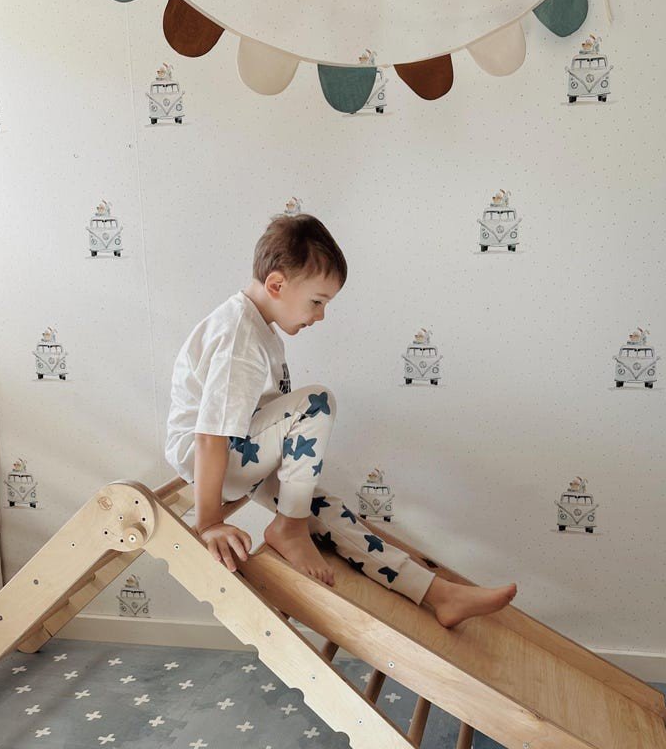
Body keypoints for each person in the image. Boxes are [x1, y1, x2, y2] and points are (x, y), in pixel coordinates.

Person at [165, 213, 517, 628]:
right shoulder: (239, 336)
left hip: (241, 452)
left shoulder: (260, 330)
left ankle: (438, 593)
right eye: (317, 301)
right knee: (315, 402)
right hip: (211, 456)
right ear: (277, 285)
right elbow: (210, 436)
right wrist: (209, 523)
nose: (320, 316)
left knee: (329, 514)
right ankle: (290, 528)